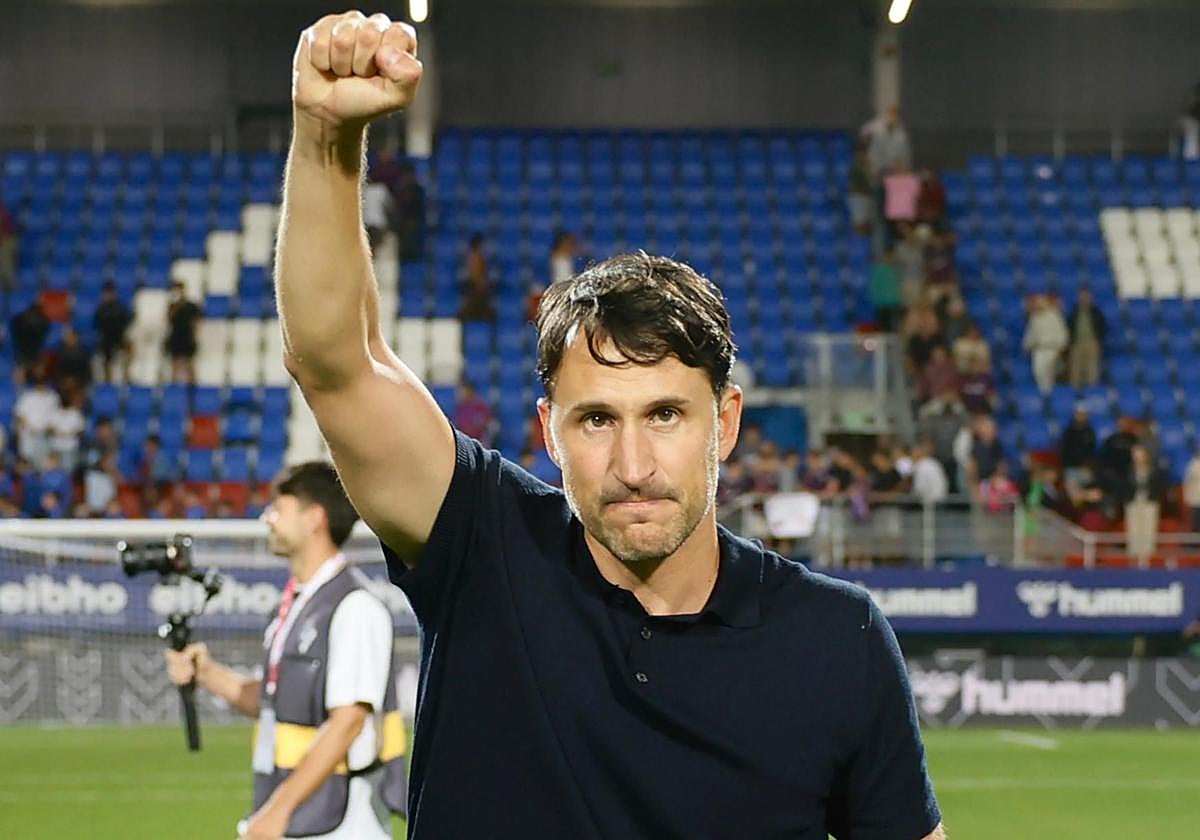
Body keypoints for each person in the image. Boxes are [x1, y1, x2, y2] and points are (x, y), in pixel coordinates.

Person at [277, 12, 944, 840]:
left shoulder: (837, 639)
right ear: (549, 432)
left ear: (725, 421)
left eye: (665, 413)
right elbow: (336, 363)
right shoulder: (482, 546)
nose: (633, 462)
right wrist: (324, 137)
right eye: (596, 419)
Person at [164, 462, 407, 840]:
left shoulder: (355, 607)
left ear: (314, 519)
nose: (267, 519)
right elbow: (272, 703)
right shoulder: (298, 603)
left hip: (340, 824)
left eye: (278, 508)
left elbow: (347, 723)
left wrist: (278, 811)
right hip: (303, 817)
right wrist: (207, 673)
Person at [1121, 444, 1166, 566]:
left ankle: (1146, 561)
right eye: (1134, 454)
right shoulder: (1128, 470)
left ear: (1145, 455)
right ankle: (1134, 559)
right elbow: (1124, 486)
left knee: (1148, 531)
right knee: (1134, 530)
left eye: (1139, 453)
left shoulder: (1153, 469)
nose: (1137, 456)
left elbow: (1159, 485)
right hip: (1133, 503)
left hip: (1149, 503)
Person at [1022, 294, 1068, 393]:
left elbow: (1062, 333)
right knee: (1038, 372)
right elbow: (1030, 334)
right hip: (1038, 349)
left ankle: (1049, 396)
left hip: (1052, 348)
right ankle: (1043, 395)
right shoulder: (1034, 318)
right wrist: (1026, 345)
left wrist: (1061, 346)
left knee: (1049, 373)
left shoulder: (1054, 316)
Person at [1066, 289, 1106, 389]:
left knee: (1092, 368)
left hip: (1092, 342)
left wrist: (1098, 340)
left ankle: (1092, 390)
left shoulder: (1096, 312)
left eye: (1086, 297)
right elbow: (1068, 327)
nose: (1084, 300)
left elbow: (1102, 327)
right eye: (1082, 297)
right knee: (1075, 367)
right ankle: (1074, 391)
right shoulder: (1074, 312)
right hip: (1077, 342)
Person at [94, 282, 133, 383]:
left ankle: (127, 376)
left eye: (110, 292)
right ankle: (108, 380)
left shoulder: (120, 307)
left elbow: (127, 321)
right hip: (106, 338)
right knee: (106, 358)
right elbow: (97, 323)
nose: (109, 295)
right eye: (107, 292)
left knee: (128, 350)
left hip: (119, 336)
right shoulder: (101, 308)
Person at [165, 281, 202, 383]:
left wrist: (194, 335)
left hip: (187, 336)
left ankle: (193, 386)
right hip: (175, 336)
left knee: (189, 363)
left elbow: (197, 321)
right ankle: (174, 387)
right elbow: (168, 319)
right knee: (174, 363)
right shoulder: (172, 306)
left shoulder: (192, 306)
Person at [9, 301, 51, 382]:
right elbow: (15, 336)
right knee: (20, 366)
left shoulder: (44, 323)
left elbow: (42, 341)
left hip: (35, 353)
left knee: (40, 365)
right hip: (22, 352)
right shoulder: (18, 321)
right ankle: (18, 390)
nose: (33, 317)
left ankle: (39, 386)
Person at [458, 233, 495, 322]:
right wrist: (481, 284)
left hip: (477, 289)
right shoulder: (475, 258)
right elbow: (477, 275)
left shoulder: (474, 257)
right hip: (477, 290)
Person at [1059, 404, 1097, 488]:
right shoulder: (1068, 432)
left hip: (1086, 469)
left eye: (1084, 414)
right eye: (1079, 414)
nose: (1082, 416)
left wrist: (1089, 466)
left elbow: (1092, 451)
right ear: (1075, 415)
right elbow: (1065, 452)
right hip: (1071, 468)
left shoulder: (1090, 432)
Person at [1184, 448, 1200, 532]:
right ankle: (1193, 544)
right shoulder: (1192, 465)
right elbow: (1187, 482)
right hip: (1195, 501)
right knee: (1195, 525)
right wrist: (1187, 497)